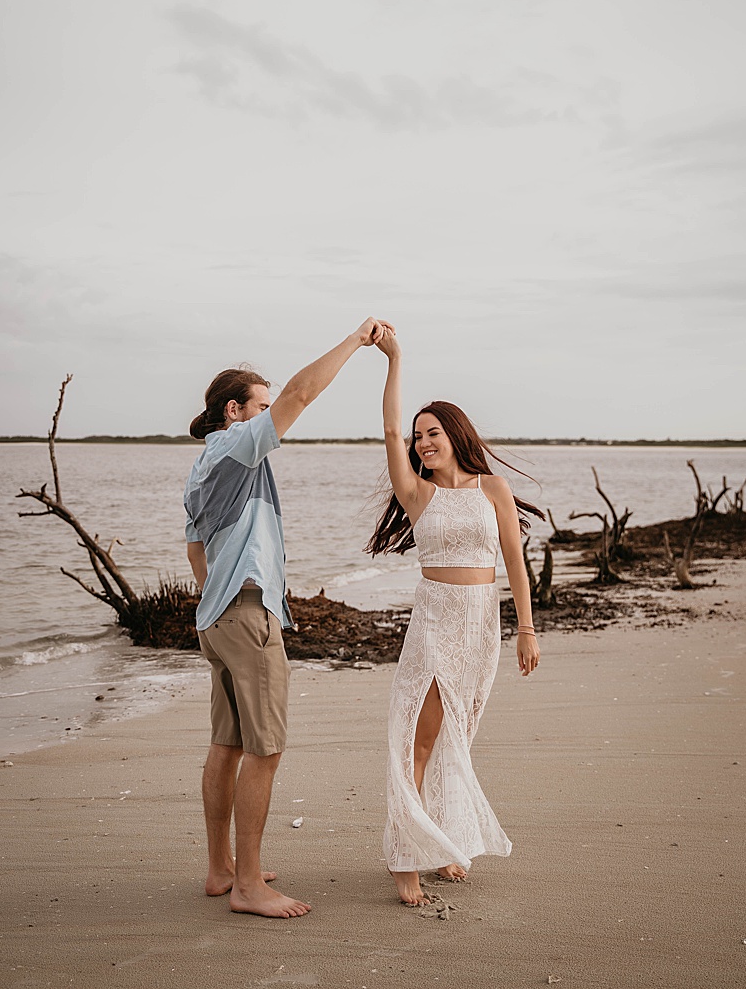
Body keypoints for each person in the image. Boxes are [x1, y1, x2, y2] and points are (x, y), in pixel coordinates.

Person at [184, 317, 391, 918]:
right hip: (247, 615)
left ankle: (222, 868)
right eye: (262, 405)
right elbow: (303, 394)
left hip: (217, 616)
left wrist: (213, 600)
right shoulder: (236, 444)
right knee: (266, 749)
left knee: (228, 742)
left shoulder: (202, 465)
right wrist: (356, 341)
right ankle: (249, 885)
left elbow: (195, 549)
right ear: (234, 410)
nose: (273, 413)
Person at [366, 329, 542, 907]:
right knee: (420, 739)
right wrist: (395, 361)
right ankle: (405, 855)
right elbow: (390, 429)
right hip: (436, 624)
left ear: (455, 434)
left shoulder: (493, 487)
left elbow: (514, 560)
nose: (421, 443)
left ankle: (438, 841)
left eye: (432, 433)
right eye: (418, 437)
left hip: (482, 627)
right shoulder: (418, 494)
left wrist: (527, 627)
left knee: (455, 739)